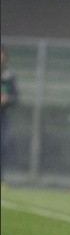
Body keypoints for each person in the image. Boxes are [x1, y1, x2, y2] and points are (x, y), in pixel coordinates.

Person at [1, 45, 19, 184]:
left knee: (3, 146)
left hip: (2, 117)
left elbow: (16, 98)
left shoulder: (9, 76)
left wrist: (7, 99)